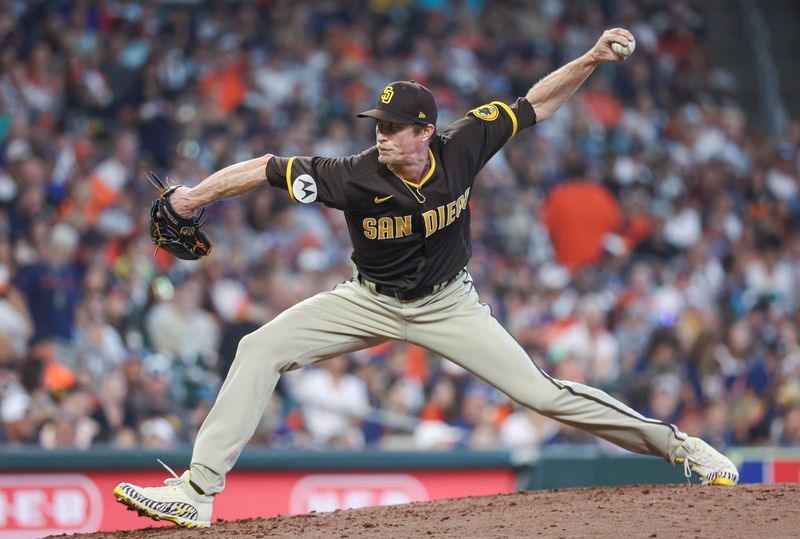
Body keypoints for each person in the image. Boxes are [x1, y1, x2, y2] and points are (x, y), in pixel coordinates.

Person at [114, 29, 738, 529]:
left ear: (425, 132)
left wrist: (591, 58)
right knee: (259, 348)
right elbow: (266, 168)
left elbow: (538, 102)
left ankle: (683, 449)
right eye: (376, 126)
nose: (380, 135)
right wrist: (194, 198)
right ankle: (198, 491)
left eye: (391, 128)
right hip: (367, 300)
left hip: (448, 305)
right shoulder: (354, 174)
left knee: (542, 394)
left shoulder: (465, 143)